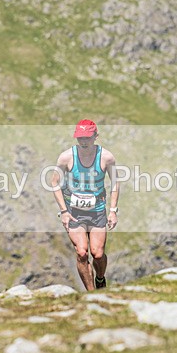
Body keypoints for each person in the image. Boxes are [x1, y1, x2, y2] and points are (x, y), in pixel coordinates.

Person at [51, 119, 119, 291]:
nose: (83, 141)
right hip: (74, 212)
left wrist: (113, 211)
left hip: (97, 212)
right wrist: (64, 212)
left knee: (98, 253)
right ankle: (92, 294)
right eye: (80, 138)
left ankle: (101, 278)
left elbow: (115, 183)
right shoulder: (66, 157)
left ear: (96, 136)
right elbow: (54, 182)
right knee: (82, 252)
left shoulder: (106, 157)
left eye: (87, 137)